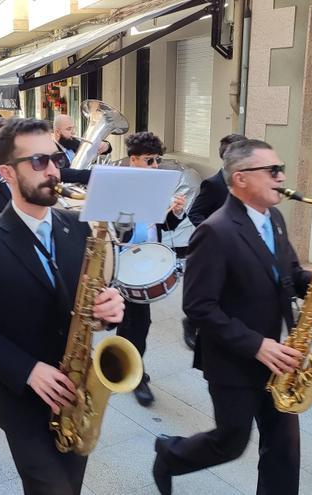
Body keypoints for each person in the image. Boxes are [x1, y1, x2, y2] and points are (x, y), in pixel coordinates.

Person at [152, 139, 312, 495]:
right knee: (231, 442)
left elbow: (287, 272)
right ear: (240, 179)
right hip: (233, 359)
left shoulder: (275, 218)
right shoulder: (215, 230)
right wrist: (257, 346)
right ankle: (169, 454)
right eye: (273, 170)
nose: (282, 176)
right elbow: (199, 307)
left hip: (282, 357)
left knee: (284, 449)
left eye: (280, 169)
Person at [0, 118, 125, 495]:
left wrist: (108, 308)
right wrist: (29, 371)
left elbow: (84, 302)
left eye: (55, 159)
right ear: (6, 173)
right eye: (38, 162)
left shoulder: (78, 226)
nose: (52, 170)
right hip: (25, 404)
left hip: (79, 397)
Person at [116, 132, 186, 407]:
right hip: (124, 265)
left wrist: (173, 212)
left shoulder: (154, 187)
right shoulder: (119, 189)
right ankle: (136, 375)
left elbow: (162, 226)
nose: (156, 166)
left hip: (145, 264)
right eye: (150, 160)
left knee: (132, 323)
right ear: (133, 160)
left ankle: (123, 362)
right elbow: (118, 233)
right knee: (137, 322)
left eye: (158, 160)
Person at [182, 133, 248, 349]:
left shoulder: (245, 183)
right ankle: (191, 324)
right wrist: (211, 233)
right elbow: (195, 213)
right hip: (215, 247)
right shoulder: (213, 184)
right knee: (210, 291)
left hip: (238, 245)